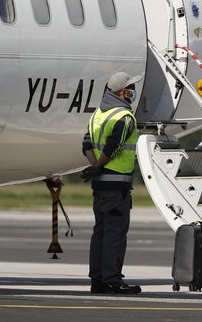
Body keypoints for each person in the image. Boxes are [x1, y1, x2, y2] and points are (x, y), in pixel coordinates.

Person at [80, 72, 142, 294]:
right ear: (122, 92)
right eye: (132, 88)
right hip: (116, 186)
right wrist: (99, 166)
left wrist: (94, 167)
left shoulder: (97, 114)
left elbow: (87, 143)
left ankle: (97, 280)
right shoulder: (125, 117)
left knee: (101, 232)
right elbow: (113, 147)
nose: (134, 92)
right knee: (115, 234)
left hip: (100, 185)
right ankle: (113, 280)